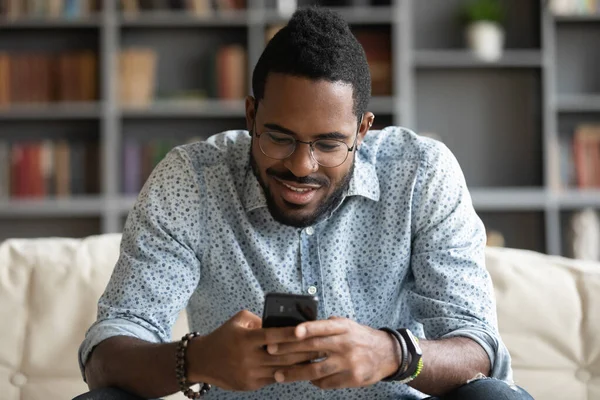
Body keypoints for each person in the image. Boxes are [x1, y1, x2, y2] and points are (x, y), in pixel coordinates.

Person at [77, 7, 533, 400]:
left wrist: (392, 353)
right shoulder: (192, 180)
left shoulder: (421, 173)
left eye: (329, 144)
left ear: (363, 130)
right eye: (279, 137)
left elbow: (479, 350)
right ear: (252, 114)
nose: (301, 166)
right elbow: (106, 357)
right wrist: (194, 359)